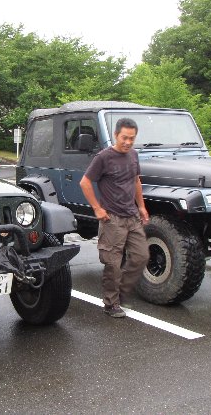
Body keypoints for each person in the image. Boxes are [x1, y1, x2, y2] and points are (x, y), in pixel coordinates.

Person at [79, 118, 150, 318]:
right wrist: (97, 208)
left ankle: (121, 292)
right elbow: (85, 182)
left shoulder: (133, 155)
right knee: (113, 264)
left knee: (141, 256)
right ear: (116, 135)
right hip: (112, 219)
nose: (128, 142)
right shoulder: (104, 157)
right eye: (124, 138)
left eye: (132, 138)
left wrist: (141, 206)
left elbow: (136, 180)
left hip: (132, 216)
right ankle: (111, 303)